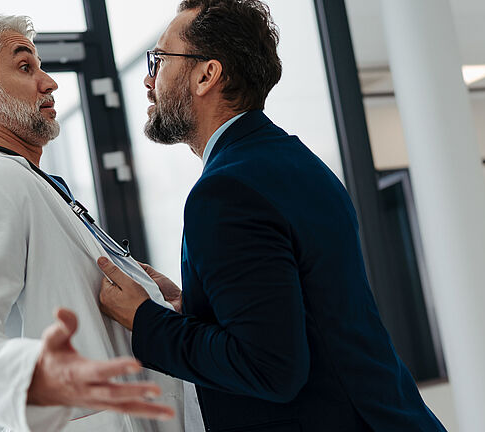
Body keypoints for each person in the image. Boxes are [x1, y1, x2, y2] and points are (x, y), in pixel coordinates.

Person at [97, 1, 448, 431]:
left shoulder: (226, 191)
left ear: (207, 75)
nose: (149, 80)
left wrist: (145, 320)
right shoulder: (295, 162)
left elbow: (269, 367)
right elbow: (304, 311)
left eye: (160, 60)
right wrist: (197, 306)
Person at [0, 15, 185, 432]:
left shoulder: (27, 180)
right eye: (25, 67)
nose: (50, 83)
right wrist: (37, 379)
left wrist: (156, 300)